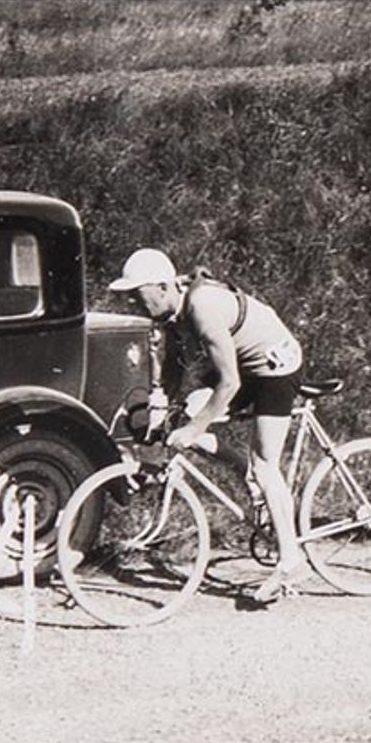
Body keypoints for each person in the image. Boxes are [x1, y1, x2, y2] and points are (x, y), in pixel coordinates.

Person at [109, 247, 307, 603]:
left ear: (163, 287)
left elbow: (228, 383)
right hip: (246, 367)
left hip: (275, 367)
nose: (135, 306)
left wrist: (195, 429)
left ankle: (291, 560)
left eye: (138, 296)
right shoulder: (171, 312)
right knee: (186, 416)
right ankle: (249, 479)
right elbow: (173, 367)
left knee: (266, 463)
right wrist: (162, 407)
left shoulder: (202, 308)